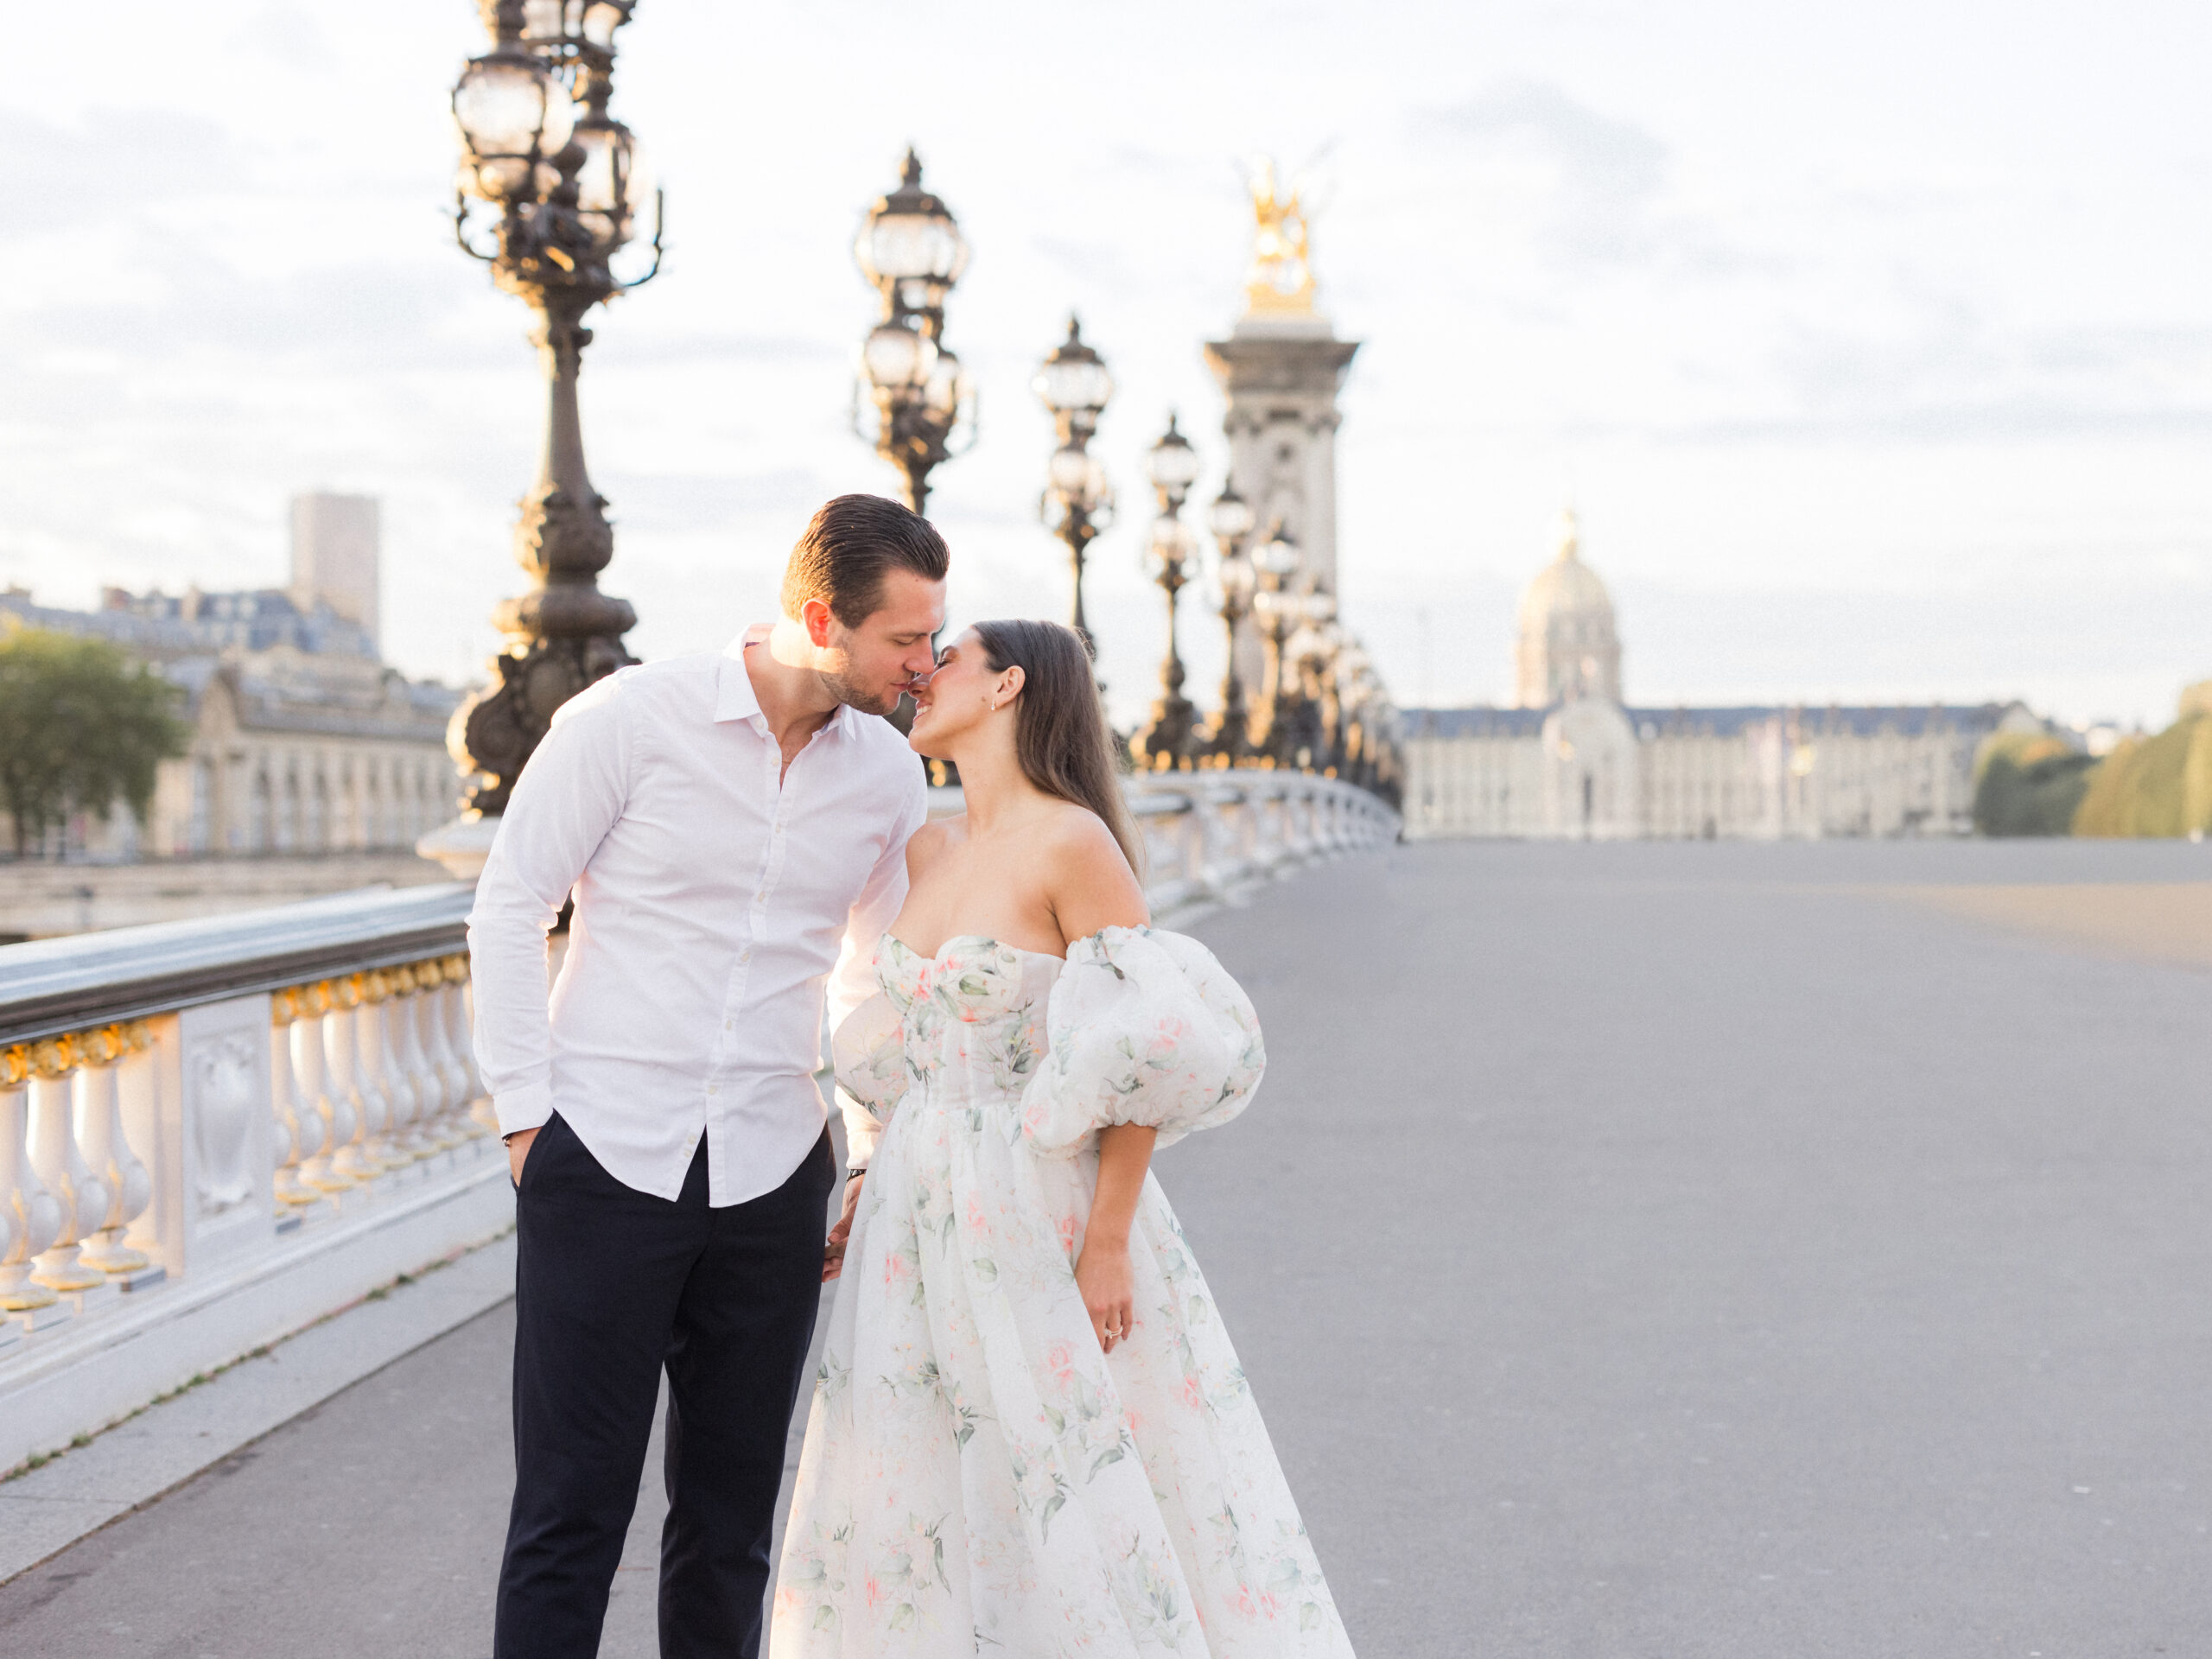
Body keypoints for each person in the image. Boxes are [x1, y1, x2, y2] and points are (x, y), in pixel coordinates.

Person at [773, 619, 1357, 1657]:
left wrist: (1106, 1240)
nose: (920, 673)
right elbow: (915, 1044)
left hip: (1034, 1197)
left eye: (943, 658)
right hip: (918, 1208)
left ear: (1006, 687)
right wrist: (870, 1179)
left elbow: (1143, 1049)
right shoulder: (931, 845)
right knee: (923, 1483)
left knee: (1053, 1470)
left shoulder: (1073, 843)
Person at [468, 494, 948, 1659]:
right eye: (904, 641)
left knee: (732, 1525)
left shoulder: (887, 775)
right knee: (570, 1515)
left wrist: (869, 1140)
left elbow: (871, 975)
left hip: (773, 1170)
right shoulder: (629, 719)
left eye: (935, 640)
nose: (925, 669)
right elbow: (509, 907)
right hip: (605, 1159)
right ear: (821, 617)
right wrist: (531, 1124)